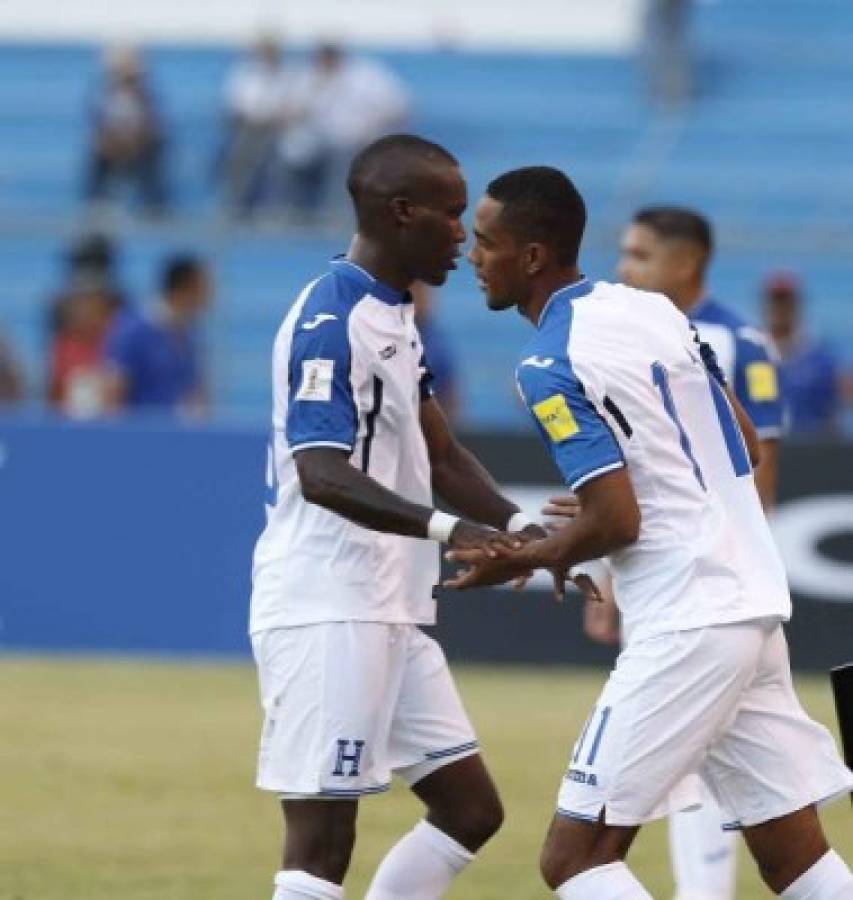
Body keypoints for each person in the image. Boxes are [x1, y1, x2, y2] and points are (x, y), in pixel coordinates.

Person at [451, 165, 853, 899]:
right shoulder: (652, 311)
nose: (472, 257)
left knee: (574, 860)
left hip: (686, 617)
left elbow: (617, 519)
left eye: (485, 242)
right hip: (748, 605)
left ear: (532, 255)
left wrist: (525, 556)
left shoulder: (546, 364)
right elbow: (742, 438)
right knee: (793, 861)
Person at [249, 134, 551, 900]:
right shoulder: (331, 316)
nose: (465, 235)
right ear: (401, 212)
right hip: (327, 604)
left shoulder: (395, 314)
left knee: (469, 810)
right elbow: (319, 474)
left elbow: (442, 454)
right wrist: (453, 532)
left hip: (387, 604)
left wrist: (527, 534)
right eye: (451, 216)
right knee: (320, 841)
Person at [620, 207, 784, 509]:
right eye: (625, 255)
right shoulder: (617, 333)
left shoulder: (742, 345)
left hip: (705, 537)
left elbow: (762, 453)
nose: (624, 269)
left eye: (640, 256)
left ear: (684, 264)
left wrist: (745, 549)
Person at [279, 44, 409, 214]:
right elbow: (289, 112)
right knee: (288, 154)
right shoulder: (310, 77)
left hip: (358, 137)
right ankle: (289, 211)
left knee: (342, 156)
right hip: (319, 139)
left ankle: (337, 214)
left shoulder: (366, 75)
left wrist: (372, 128)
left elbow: (398, 109)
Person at [103, 255, 209, 413]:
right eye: (204, 286)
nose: (209, 294)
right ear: (186, 287)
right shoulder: (135, 330)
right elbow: (114, 390)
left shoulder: (189, 335)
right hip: (141, 432)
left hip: (176, 432)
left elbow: (193, 391)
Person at [84, 45, 167, 213]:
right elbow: (98, 127)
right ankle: (95, 207)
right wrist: (113, 143)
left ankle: (154, 207)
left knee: (151, 156)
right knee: (98, 160)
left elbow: (151, 127)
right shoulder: (103, 95)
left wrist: (133, 142)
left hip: (140, 149)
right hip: (112, 149)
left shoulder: (146, 96)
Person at [220, 35, 293, 216]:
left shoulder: (288, 75)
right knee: (243, 152)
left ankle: (272, 210)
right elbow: (233, 106)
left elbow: (292, 107)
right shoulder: (244, 73)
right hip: (247, 127)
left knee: (278, 158)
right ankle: (235, 207)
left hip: (277, 130)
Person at [763, 272, 841, 434]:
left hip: (809, 449)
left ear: (797, 305)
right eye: (776, 302)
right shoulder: (751, 353)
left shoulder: (820, 360)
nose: (781, 309)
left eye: (786, 302)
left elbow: (831, 414)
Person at [411, 282, 460, 421]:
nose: (422, 298)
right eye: (416, 291)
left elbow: (451, 396)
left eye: (424, 292)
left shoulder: (436, 342)